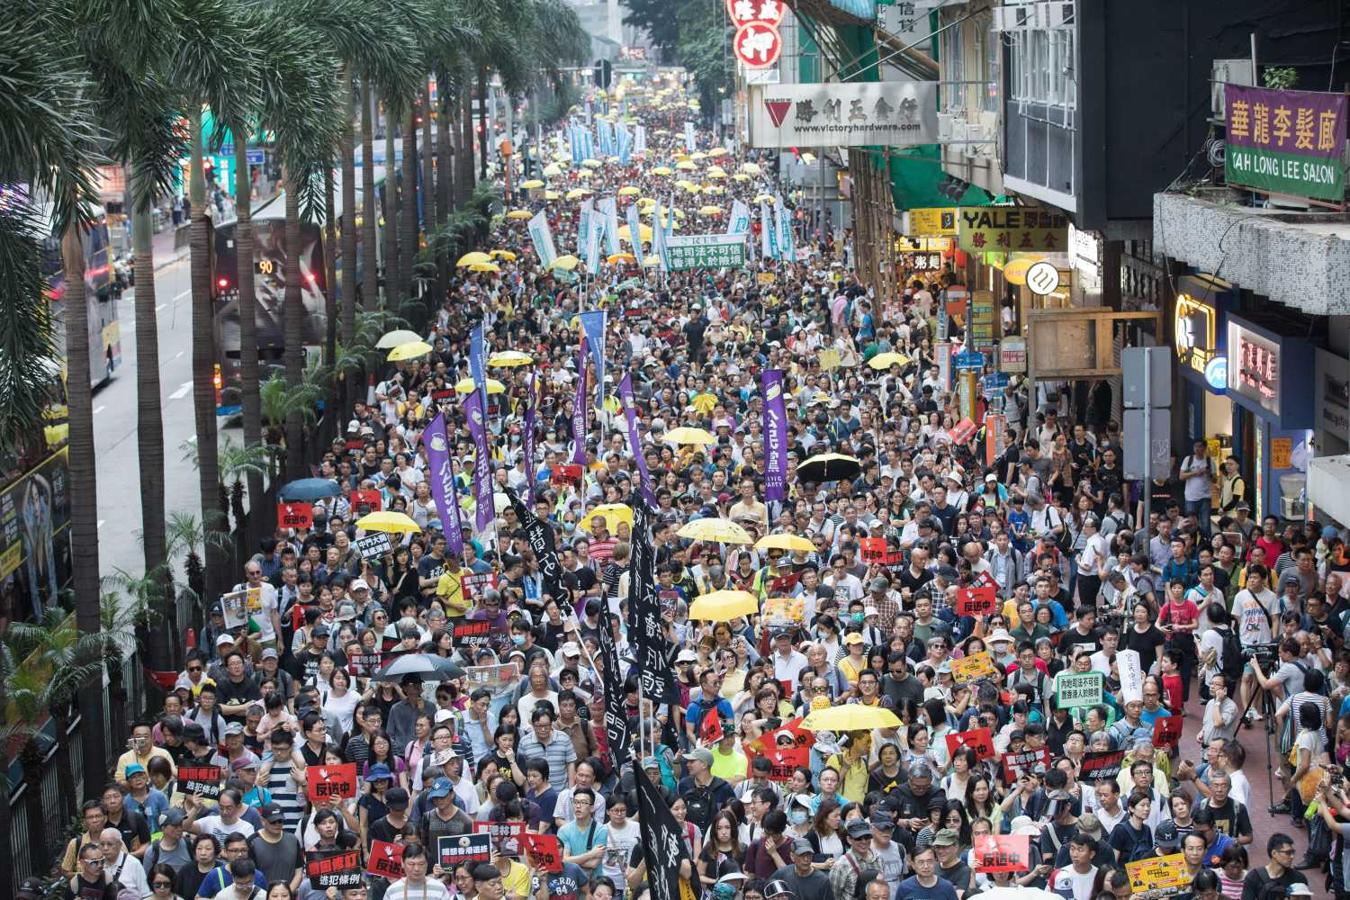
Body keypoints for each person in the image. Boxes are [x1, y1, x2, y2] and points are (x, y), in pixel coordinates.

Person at [1239, 833, 1307, 900]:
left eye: (1293, 852)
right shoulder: (1254, 877)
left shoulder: (1299, 878)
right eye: (1288, 853)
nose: (1292, 856)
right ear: (1274, 853)